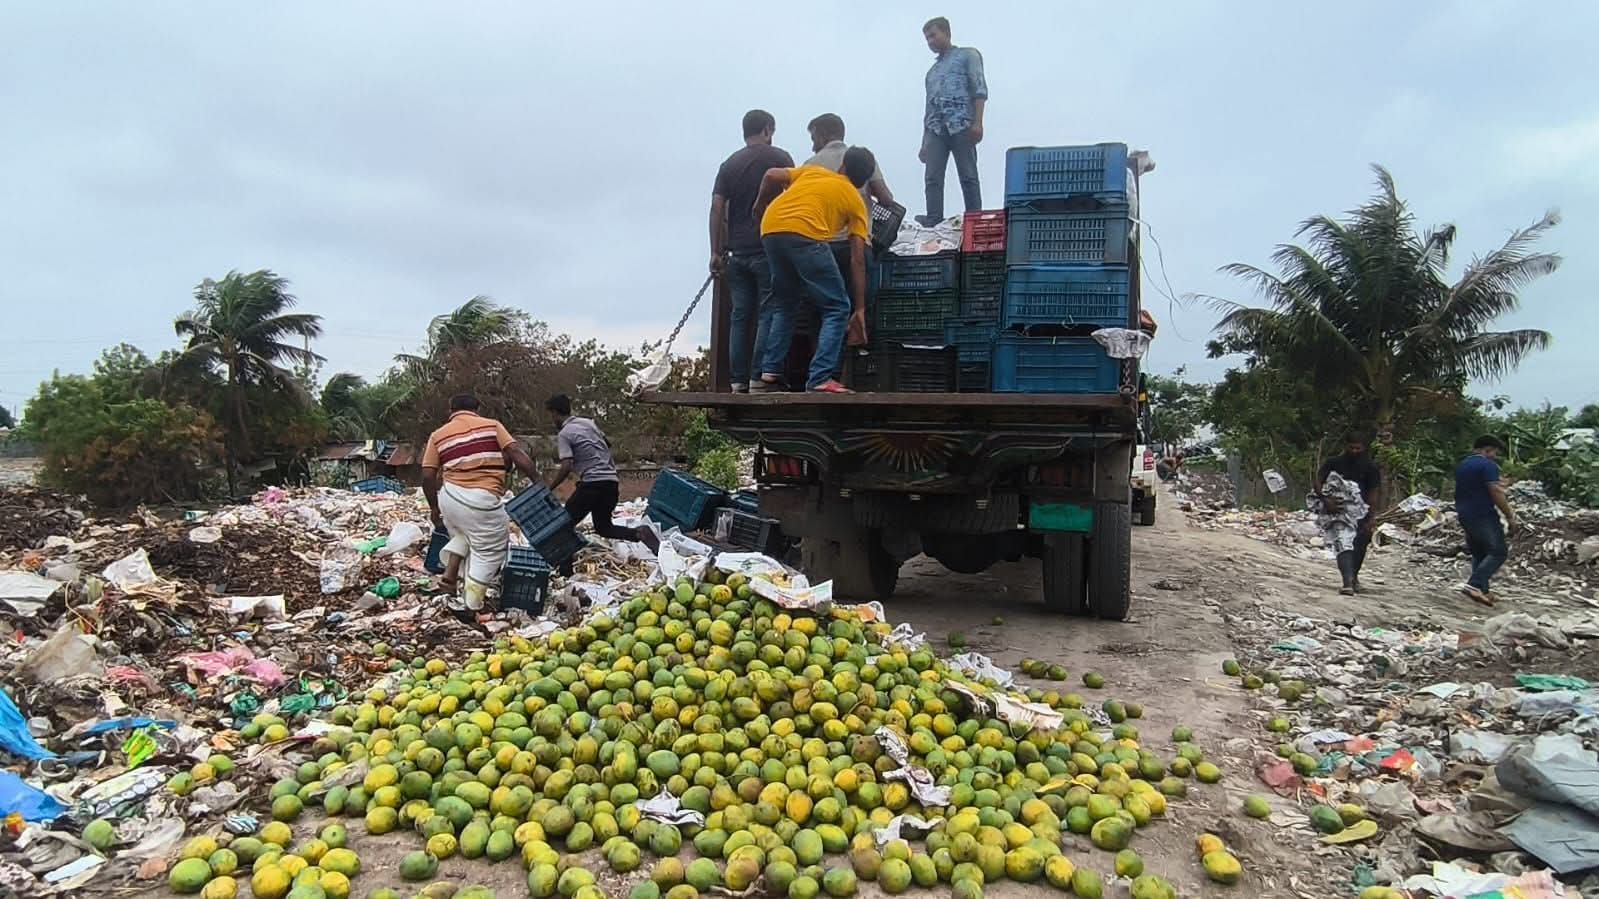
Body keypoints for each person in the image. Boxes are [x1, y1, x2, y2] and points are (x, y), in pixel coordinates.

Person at [751, 148, 877, 394]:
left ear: (842, 166)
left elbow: (770, 175)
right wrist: (860, 309)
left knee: (785, 304)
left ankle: (769, 372)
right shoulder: (855, 201)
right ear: (864, 181)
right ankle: (820, 377)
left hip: (771, 228)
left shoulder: (813, 172)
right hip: (806, 234)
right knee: (837, 307)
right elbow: (857, 259)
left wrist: (759, 205)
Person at [421, 394, 540, 610]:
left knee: (464, 534)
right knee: (488, 552)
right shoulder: (492, 426)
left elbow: (428, 475)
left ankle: (448, 579)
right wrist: (538, 482)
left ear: (451, 410)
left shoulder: (437, 435)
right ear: (477, 409)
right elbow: (515, 452)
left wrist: (434, 507)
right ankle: (471, 605)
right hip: (480, 500)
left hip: (449, 496)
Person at [711, 109, 795, 393]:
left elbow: (717, 208)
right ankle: (758, 377)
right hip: (767, 247)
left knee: (739, 315)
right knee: (768, 311)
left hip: (736, 253)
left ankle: (737, 381)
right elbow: (794, 198)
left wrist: (715, 251)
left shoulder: (728, 165)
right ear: (767, 129)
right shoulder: (780, 158)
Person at [544, 394, 658, 572]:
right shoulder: (588, 423)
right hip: (611, 483)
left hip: (591, 485)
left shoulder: (564, 434)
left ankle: (566, 572)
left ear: (555, 413)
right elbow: (607, 443)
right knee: (604, 528)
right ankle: (639, 532)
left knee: (562, 527)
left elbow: (566, 465)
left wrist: (549, 488)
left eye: (551, 415)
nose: (552, 420)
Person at [917, 16, 987, 226]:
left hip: (961, 123)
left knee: (968, 175)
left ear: (947, 33)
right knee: (932, 177)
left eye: (933, 35)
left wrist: (978, 122)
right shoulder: (931, 73)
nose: (930, 41)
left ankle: (974, 217)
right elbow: (929, 107)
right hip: (936, 129)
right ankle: (933, 217)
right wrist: (924, 143)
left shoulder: (968, 55)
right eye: (927, 38)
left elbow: (979, 89)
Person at [1455, 435, 1518, 606]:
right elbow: (1495, 491)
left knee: (1480, 552)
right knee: (1498, 551)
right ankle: (1474, 585)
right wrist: (1509, 515)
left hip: (1464, 513)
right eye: (1495, 452)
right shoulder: (1488, 465)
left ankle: (1483, 590)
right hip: (1482, 513)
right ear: (1487, 449)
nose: (1495, 456)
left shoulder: (1463, 465)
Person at [1318, 432, 1382, 594]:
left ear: (1364, 448)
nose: (1354, 451)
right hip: (1338, 510)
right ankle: (1347, 582)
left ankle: (1353, 577)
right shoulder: (1334, 463)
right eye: (1351, 447)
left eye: (1358, 448)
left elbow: (1373, 493)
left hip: (1361, 511)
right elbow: (1318, 481)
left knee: (1360, 544)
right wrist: (1326, 500)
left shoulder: (1371, 467)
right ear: (1346, 446)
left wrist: (1371, 516)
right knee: (1343, 542)